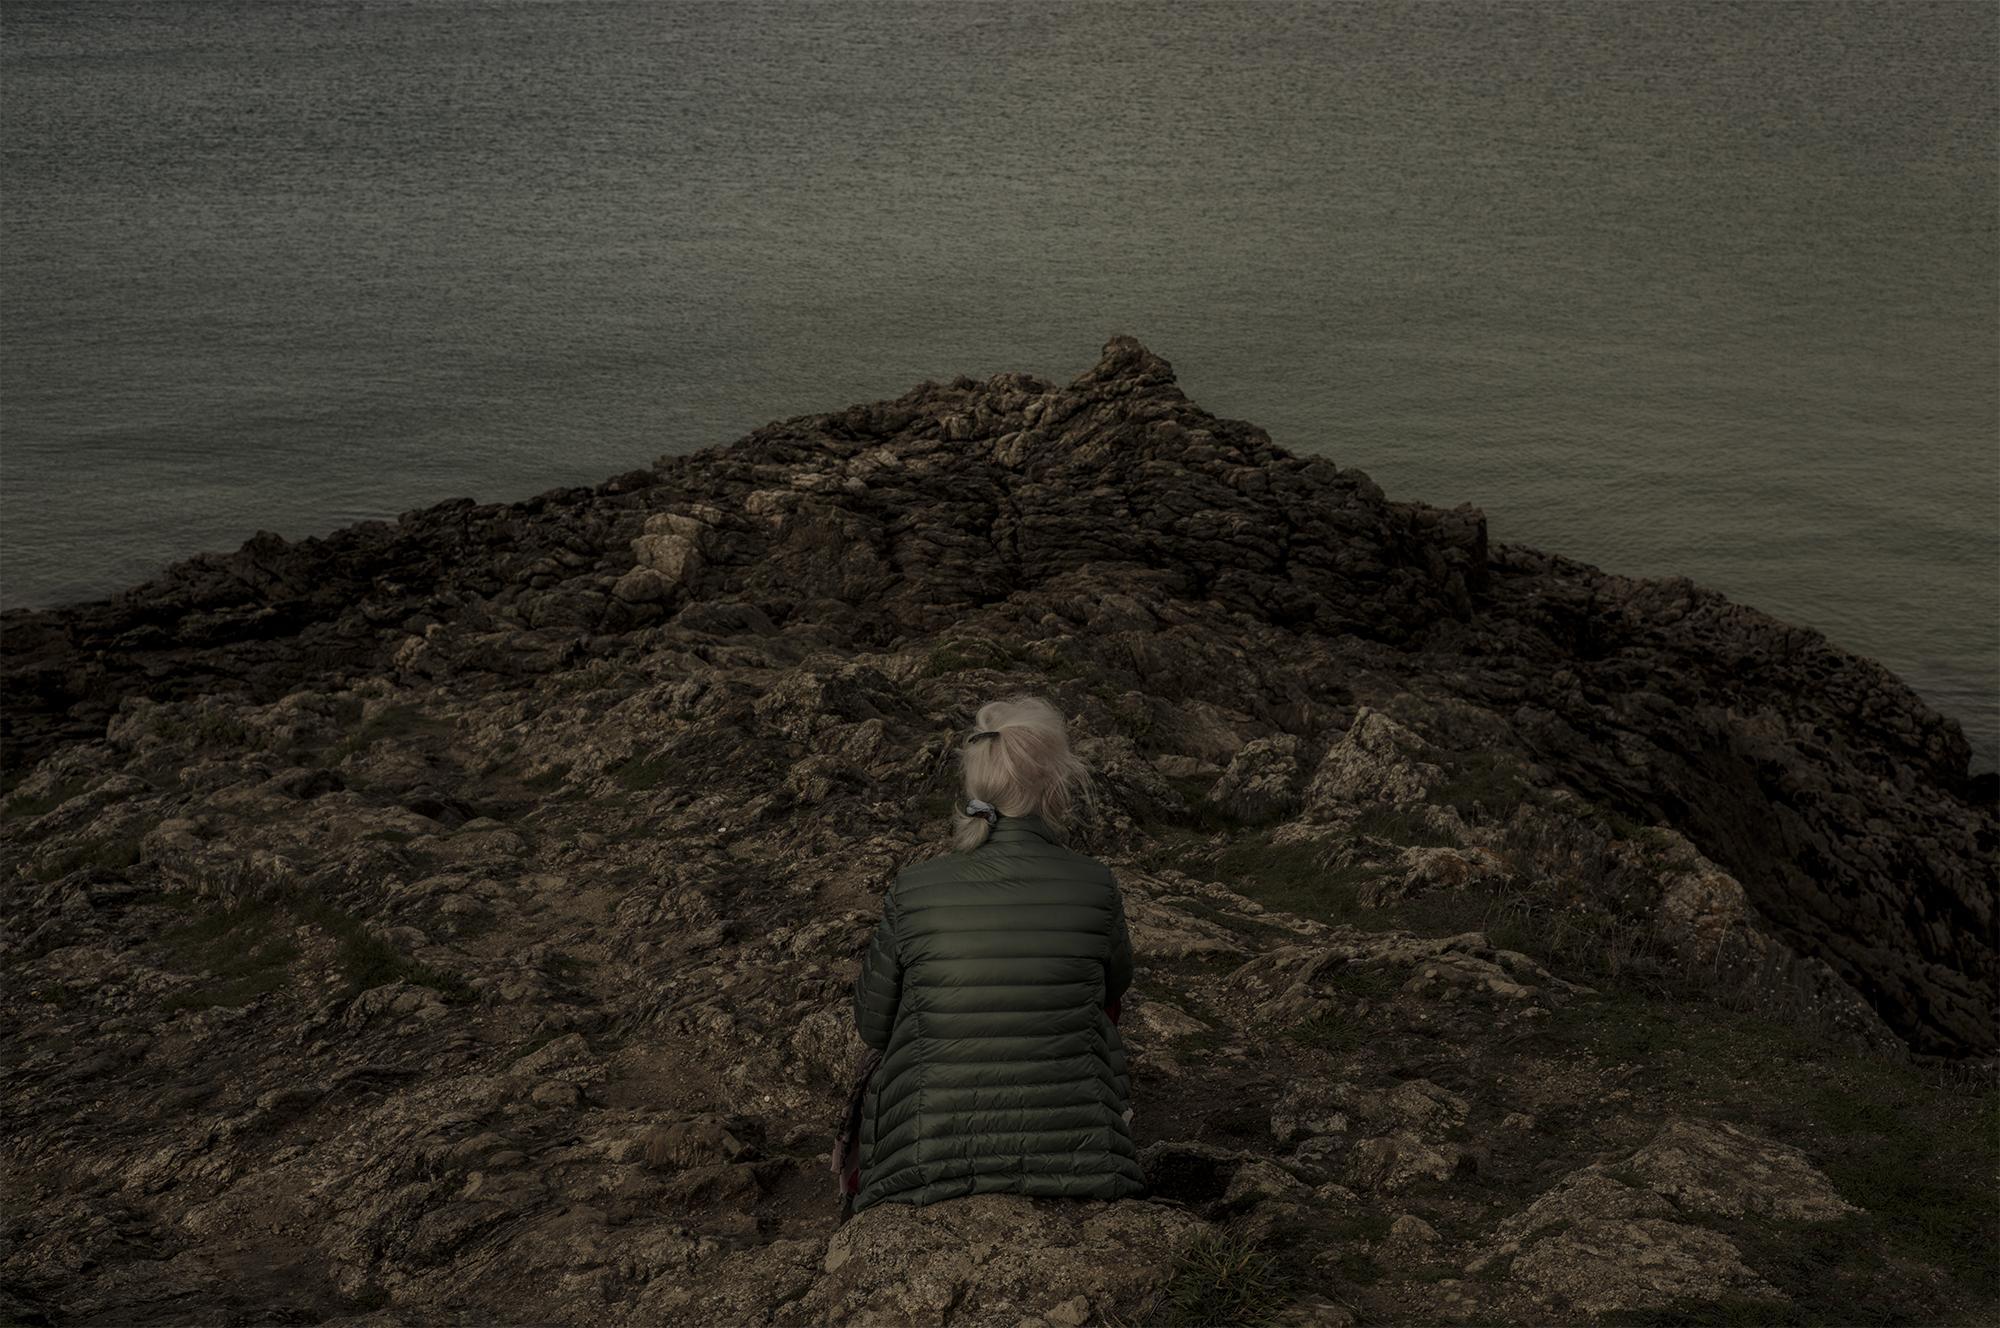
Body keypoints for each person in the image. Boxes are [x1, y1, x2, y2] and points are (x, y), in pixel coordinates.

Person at [838, 694, 1147, 1217]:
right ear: (1056, 784)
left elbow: (873, 1027)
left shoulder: (915, 886)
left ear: (976, 785)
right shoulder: (1096, 883)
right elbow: (1113, 993)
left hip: (924, 1156)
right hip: (1083, 1160)